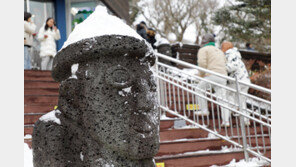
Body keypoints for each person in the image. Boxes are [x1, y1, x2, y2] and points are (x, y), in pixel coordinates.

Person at [195, 34, 228, 125]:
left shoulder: (203, 50)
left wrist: (201, 75)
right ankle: (226, 121)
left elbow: (201, 63)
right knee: (222, 99)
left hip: (212, 74)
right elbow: (225, 63)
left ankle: (204, 110)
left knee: (199, 89)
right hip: (223, 76)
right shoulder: (219, 51)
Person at [221, 41, 251, 126]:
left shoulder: (230, 54)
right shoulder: (236, 54)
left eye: (222, 47)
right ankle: (245, 120)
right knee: (242, 101)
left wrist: (222, 67)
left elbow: (232, 67)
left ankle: (226, 120)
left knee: (224, 97)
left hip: (236, 81)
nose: (221, 49)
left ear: (225, 48)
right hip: (244, 81)